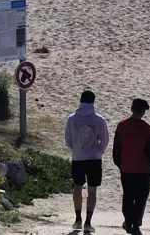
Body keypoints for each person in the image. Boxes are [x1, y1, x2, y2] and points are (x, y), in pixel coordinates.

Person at [65, 90, 110, 233]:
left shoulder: (72, 119)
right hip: (94, 158)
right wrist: (98, 151)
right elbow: (105, 140)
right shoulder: (99, 120)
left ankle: (77, 219)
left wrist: (76, 149)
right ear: (93, 102)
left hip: (78, 157)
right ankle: (88, 222)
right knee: (92, 190)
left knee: (77, 187)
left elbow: (68, 140)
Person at [113, 98, 150, 235]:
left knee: (128, 196)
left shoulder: (122, 125)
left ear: (132, 109)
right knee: (141, 198)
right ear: (143, 111)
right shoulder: (146, 127)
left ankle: (128, 221)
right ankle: (136, 224)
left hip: (126, 168)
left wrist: (119, 163)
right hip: (142, 169)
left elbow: (117, 148)